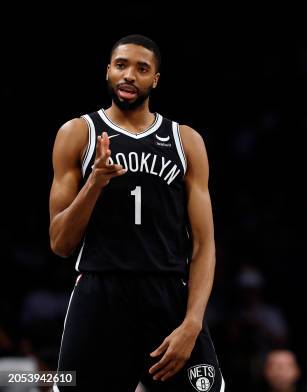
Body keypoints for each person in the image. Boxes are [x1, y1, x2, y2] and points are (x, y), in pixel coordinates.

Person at [49, 34, 224, 391]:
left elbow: (204, 245)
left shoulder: (185, 140)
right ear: (108, 71)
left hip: (167, 293)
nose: (130, 75)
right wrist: (95, 182)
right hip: (100, 292)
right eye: (121, 65)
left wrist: (192, 323)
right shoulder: (77, 133)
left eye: (142, 69)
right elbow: (60, 243)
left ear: (155, 79)